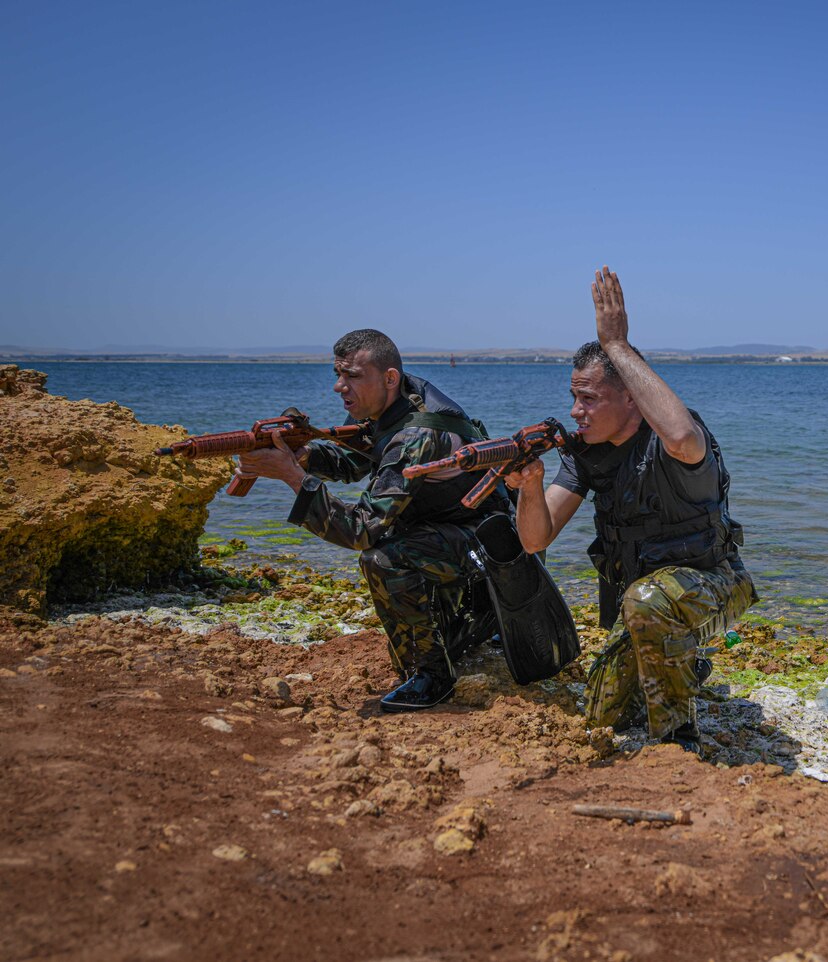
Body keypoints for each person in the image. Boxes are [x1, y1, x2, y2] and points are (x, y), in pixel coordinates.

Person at [505, 267, 757, 755]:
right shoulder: (588, 455)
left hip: (717, 585)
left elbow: (682, 436)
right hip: (650, 604)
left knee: (646, 602)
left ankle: (677, 741)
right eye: (573, 398)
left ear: (632, 399)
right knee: (601, 711)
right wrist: (530, 486)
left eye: (589, 398)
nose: (577, 411)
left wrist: (618, 345)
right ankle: (683, 663)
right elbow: (535, 540)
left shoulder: (674, 440)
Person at [237, 329, 511, 712]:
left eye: (351, 376)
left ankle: (432, 677)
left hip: (490, 552)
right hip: (462, 534)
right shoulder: (400, 404)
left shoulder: (417, 433)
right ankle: (470, 627)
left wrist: (292, 477)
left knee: (382, 558)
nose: (339, 387)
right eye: (337, 374)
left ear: (389, 378)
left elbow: (361, 531)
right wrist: (304, 457)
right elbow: (361, 461)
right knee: (397, 545)